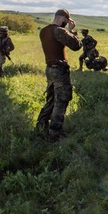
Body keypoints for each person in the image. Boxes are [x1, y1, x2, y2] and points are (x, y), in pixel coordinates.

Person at [36, 8, 81, 142]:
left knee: (51, 99)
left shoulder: (44, 31)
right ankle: (54, 134)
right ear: (64, 19)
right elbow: (76, 45)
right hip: (60, 71)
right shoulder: (59, 31)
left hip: (49, 69)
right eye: (67, 21)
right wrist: (71, 30)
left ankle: (40, 125)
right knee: (61, 100)